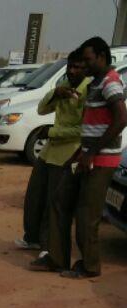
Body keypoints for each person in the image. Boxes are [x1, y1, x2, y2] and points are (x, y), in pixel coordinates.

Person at [48, 37, 127, 278]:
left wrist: (92, 152)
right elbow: (92, 125)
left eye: (88, 60)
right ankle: (57, 259)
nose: (85, 64)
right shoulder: (95, 83)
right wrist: (82, 151)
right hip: (86, 156)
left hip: (101, 161)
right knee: (61, 201)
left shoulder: (111, 82)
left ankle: (90, 266)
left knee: (87, 215)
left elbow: (121, 119)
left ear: (102, 57)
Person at [25, 49, 89, 269]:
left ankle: (50, 249)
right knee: (35, 197)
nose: (73, 71)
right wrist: (55, 93)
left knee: (55, 204)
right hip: (49, 152)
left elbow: (83, 130)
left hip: (67, 153)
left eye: (78, 67)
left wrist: (52, 133)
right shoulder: (65, 87)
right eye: (71, 66)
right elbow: (42, 109)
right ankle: (32, 238)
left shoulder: (87, 91)